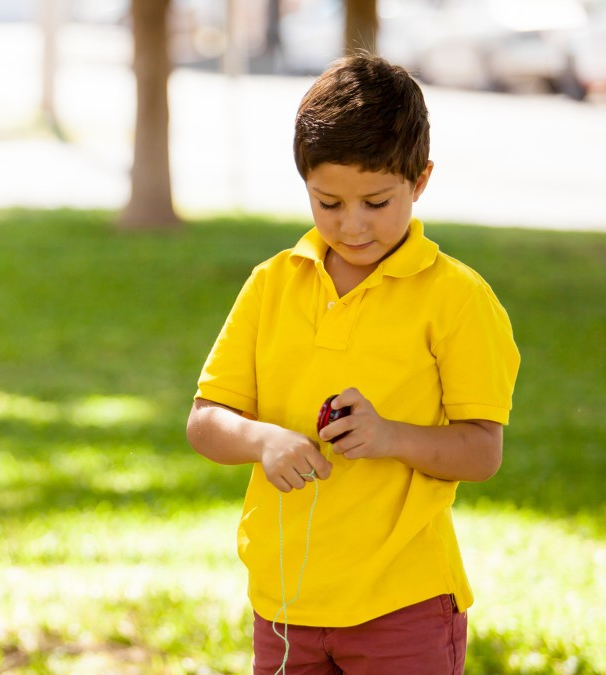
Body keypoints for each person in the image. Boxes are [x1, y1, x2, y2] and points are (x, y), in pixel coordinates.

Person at [185, 53, 519, 674]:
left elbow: (482, 451)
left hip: (405, 605)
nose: (352, 224)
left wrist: (389, 436)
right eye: (328, 202)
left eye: (376, 201)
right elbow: (205, 421)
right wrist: (263, 440)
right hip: (285, 602)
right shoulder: (272, 285)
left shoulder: (457, 298)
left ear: (419, 180)